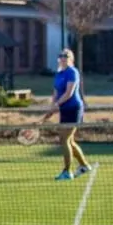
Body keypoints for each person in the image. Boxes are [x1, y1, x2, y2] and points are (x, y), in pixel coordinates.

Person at [43, 47, 91, 181]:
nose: (63, 58)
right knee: (69, 140)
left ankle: (67, 172)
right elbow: (56, 94)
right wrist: (51, 108)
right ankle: (84, 165)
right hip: (64, 109)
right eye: (61, 56)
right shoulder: (58, 74)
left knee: (64, 139)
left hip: (74, 108)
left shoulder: (72, 72)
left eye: (66, 56)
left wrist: (57, 105)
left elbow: (69, 93)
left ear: (71, 59)